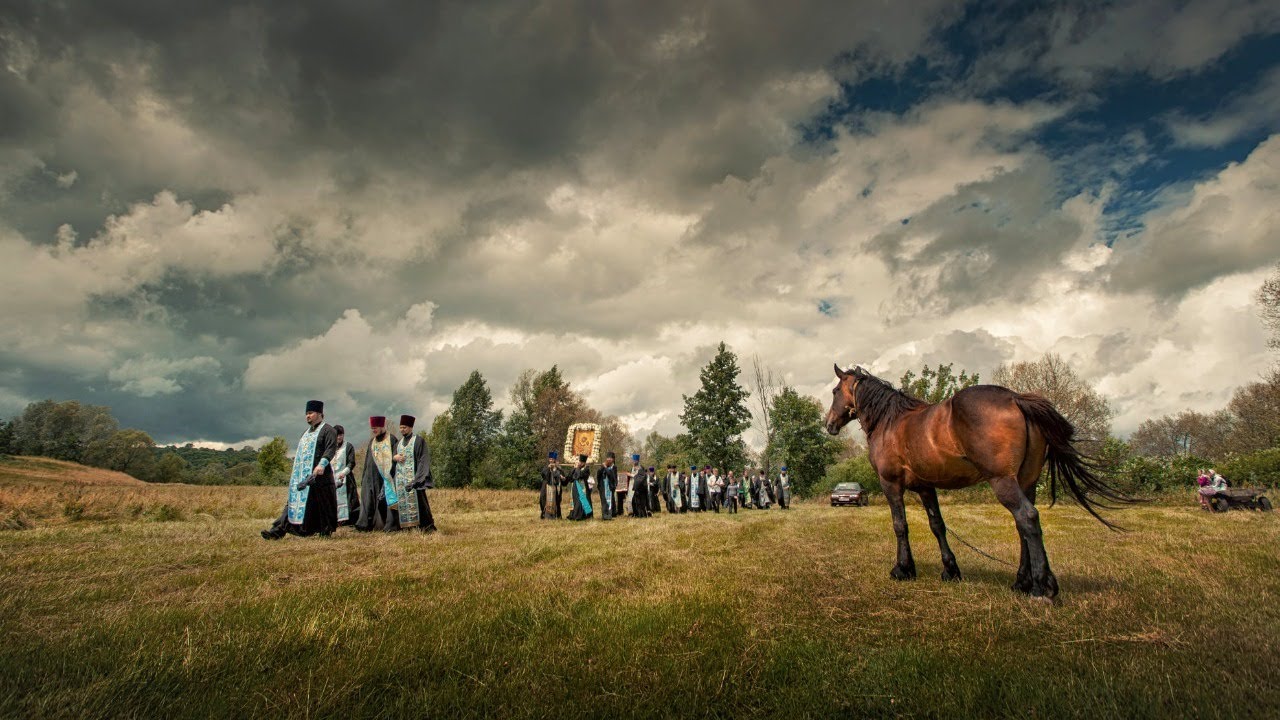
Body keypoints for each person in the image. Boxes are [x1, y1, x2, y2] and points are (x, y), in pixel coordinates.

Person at [261, 400, 338, 540]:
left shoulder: (328, 430)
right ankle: (277, 531)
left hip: (321, 477)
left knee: (323, 506)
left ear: (320, 413)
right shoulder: (305, 433)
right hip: (304, 477)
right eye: (306, 414)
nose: (307, 416)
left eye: (310, 413)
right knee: (292, 503)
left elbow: (331, 448)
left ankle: (325, 531)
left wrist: (322, 464)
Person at [391, 414, 436, 532]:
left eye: (404, 427)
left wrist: (418, 479)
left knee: (420, 504)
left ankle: (425, 527)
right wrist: (394, 457)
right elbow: (393, 459)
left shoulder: (418, 441)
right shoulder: (398, 443)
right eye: (400, 427)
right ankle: (406, 527)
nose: (402, 430)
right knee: (402, 504)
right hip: (401, 480)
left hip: (415, 480)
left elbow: (423, 460)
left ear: (411, 427)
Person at [355, 416, 398, 531]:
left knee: (385, 501)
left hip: (385, 477)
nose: (374, 430)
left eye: (376, 428)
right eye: (372, 428)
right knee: (368, 501)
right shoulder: (372, 441)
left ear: (382, 426)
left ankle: (387, 525)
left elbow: (394, 457)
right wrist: (365, 476)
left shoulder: (391, 439)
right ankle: (365, 525)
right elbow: (368, 460)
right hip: (370, 477)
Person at [332, 425, 360, 526]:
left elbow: (351, 462)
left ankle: (349, 521)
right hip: (332, 478)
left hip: (346, 477)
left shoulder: (348, 446)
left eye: (341, 435)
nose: (339, 437)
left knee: (349, 499)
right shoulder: (330, 447)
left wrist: (343, 473)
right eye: (337, 435)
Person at [566, 454, 594, 521]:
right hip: (575, 488)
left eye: (581, 462)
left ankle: (582, 516)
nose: (580, 463)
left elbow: (578, 476)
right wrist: (575, 468)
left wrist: (578, 468)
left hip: (583, 488)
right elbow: (571, 477)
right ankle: (573, 515)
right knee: (575, 502)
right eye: (579, 462)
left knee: (582, 502)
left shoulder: (586, 469)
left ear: (584, 463)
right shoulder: (576, 468)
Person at [539, 451, 564, 519]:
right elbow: (543, 475)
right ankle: (544, 514)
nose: (551, 460)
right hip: (546, 486)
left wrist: (556, 469)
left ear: (555, 460)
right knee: (542, 499)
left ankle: (556, 516)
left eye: (552, 459)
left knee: (556, 501)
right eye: (550, 459)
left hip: (555, 488)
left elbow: (561, 476)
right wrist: (548, 468)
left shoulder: (558, 468)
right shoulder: (546, 467)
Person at [597, 452, 618, 521]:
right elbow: (598, 475)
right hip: (603, 486)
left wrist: (606, 467)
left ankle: (609, 515)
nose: (609, 459)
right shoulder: (603, 466)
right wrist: (602, 468)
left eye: (610, 458)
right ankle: (604, 515)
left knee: (610, 501)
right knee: (603, 501)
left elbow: (610, 475)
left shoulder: (614, 467)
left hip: (610, 486)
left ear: (613, 459)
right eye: (608, 458)